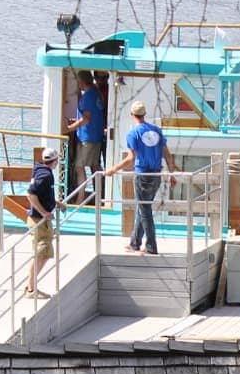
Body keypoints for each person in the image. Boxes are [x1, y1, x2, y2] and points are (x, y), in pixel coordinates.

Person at [106, 99, 174, 254]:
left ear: (132, 114)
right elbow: (167, 154)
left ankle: (151, 246)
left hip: (143, 174)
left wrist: (113, 169)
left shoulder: (133, 133)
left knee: (144, 209)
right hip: (156, 174)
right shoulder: (157, 130)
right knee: (142, 208)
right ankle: (135, 243)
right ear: (144, 114)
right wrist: (171, 173)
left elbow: (131, 158)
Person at [65, 71, 108, 203]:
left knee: (79, 166)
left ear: (81, 82)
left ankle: (80, 199)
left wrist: (70, 128)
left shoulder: (88, 96)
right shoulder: (96, 94)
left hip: (87, 138)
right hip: (96, 136)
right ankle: (100, 195)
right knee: (95, 166)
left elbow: (86, 118)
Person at [22, 147, 59, 297]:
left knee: (45, 253)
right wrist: (44, 213)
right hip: (39, 220)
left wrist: (56, 202)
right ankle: (31, 288)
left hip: (40, 219)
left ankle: (31, 286)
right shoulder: (45, 175)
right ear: (55, 161)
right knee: (41, 254)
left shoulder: (39, 170)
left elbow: (41, 194)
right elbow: (31, 194)